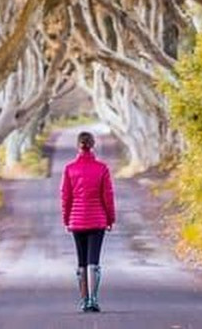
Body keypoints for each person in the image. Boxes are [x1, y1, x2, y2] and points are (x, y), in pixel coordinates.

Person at [60, 130, 116, 313]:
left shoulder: (70, 169)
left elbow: (65, 197)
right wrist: (110, 218)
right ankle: (93, 299)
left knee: (81, 261)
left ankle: (84, 300)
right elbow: (108, 196)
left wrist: (66, 219)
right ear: (93, 145)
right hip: (97, 220)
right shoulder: (102, 168)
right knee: (94, 261)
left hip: (76, 221)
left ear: (78, 145)